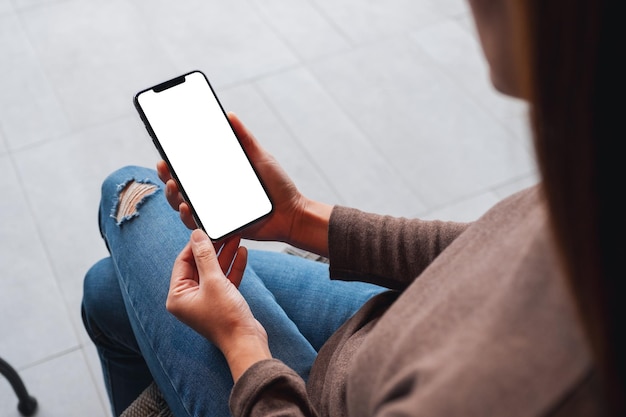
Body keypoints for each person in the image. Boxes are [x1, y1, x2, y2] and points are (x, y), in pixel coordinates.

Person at [82, 0, 623, 416]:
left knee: (126, 192)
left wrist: (242, 345)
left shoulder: (502, 395)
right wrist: (299, 216)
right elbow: (493, 244)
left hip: (317, 398)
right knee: (107, 291)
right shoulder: (595, 179)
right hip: (395, 328)